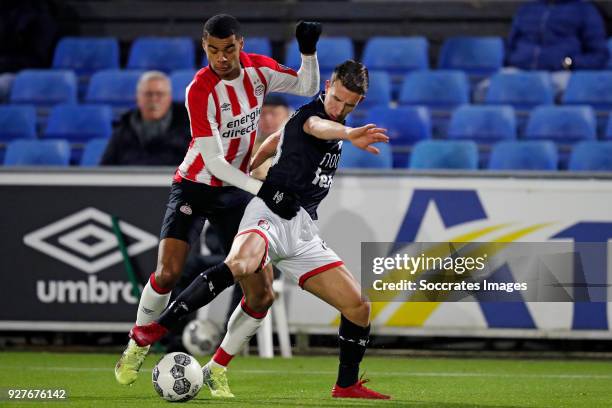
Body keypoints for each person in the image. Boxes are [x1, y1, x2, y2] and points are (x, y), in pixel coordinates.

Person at [130, 60, 392, 400]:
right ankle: (158, 326)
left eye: (349, 106)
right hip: (268, 213)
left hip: (301, 227)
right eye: (337, 99)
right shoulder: (314, 118)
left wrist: (255, 164)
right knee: (239, 265)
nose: (340, 109)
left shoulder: (303, 119)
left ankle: (345, 385)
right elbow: (318, 127)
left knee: (358, 307)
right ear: (327, 85)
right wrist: (347, 133)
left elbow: (273, 141)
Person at [114, 13, 323, 385]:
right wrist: (263, 189)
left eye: (228, 49)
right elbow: (213, 162)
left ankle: (217, 369)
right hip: (196, 184)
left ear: (240, 44)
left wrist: (308, 52)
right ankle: (137, 346)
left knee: (261, 295)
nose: (221, 58)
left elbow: (308, 87)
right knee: (167, 272)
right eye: (213, 50)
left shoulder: (259, 70)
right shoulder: (200, 89)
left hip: (235, 191)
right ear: (204, 47)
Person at [101, 71, 191, 166]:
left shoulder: (190, 129)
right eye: (148, 94)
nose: (154, 99)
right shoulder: (122, 129)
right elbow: (105, 169)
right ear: (138, 98)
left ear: (169, 98)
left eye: (160, 94)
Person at [251, 94, 291, 179]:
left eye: (274, 113)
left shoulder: (300, 134)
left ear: (287, 113)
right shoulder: (250, 136)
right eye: (262, 114)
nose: (267, 119)